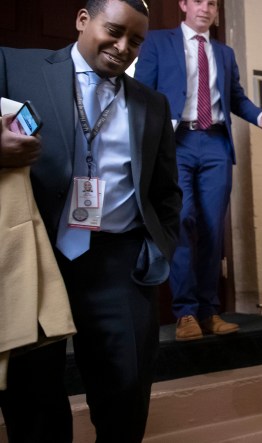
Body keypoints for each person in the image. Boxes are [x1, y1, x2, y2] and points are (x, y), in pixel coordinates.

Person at [0, 0, 182, 441]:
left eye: (135, 41)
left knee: (125, 393)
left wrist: (158, 249)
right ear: (83, 20)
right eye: (114, 31)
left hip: (118, 263)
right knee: (32, 395)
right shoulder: (14, 65)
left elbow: (166, 192)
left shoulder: (152, 103)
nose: (123, 48)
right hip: (37, 259)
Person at [134, 0, 262, 341]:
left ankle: (209, 311)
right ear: (184, 5)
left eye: (212, 3)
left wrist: (260, 115)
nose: (206, 8)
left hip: (215, 143)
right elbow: (141, 93)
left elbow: (236, 97)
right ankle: (185, 314)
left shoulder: (224, 54)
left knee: (213, 228)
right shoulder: (157, 42)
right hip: (176, 142)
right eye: (198, 0)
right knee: (182, 219)